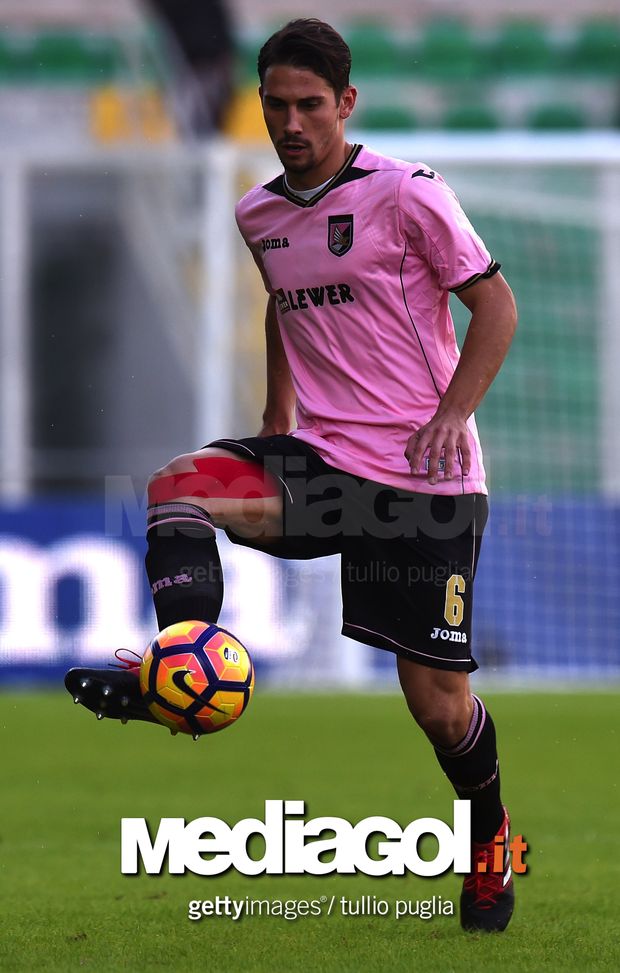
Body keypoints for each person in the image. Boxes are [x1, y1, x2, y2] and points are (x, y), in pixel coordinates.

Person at [66, 19, 518, 933]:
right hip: (323, 462)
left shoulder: (408, 194)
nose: (291, 122)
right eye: (275, 104)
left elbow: (495, 306)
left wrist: (452, 414)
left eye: (310, 104)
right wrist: (278, 416)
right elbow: (284, 305)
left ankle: (491, 841)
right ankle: (179, 668)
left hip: (424, 480)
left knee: (437, 706)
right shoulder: (257, 213)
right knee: (178, 485)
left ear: (346, 104)